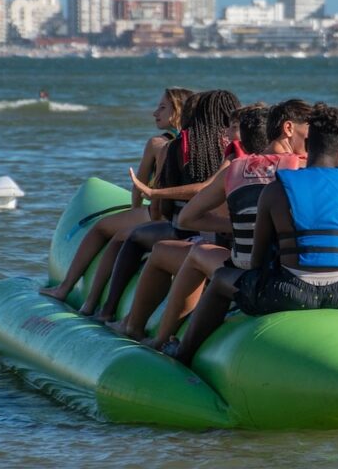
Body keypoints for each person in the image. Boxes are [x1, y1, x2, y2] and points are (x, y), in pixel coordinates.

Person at [168, 104, 338, 366]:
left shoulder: (277, 188)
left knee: (223, 278)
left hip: (288, 294)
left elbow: (258, 261)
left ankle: (184, 354)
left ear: (309, 144)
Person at [114, 100, 311, 343]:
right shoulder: (307, 169)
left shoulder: (236, 170)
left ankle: (155, 336)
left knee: (189, 252)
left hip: (253, 271)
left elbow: (187, 218)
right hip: (306, 271)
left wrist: (233, 225)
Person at [86, 89, 241, 322]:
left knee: (135, 238)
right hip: (235, 244)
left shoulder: (174, 147)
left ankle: (111, 311)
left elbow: (161, 210)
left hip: (191, 234)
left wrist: (153, 193)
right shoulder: (247, 153)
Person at [39, 87, 193, 305]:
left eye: (162, 107)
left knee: (102, 228)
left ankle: (67, 289)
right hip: (186, 216)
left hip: (158, 213)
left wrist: (134, 212)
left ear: (178, 111)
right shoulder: (200, 144)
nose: (154, 113)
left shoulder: (158, 144)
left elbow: (139, 186)